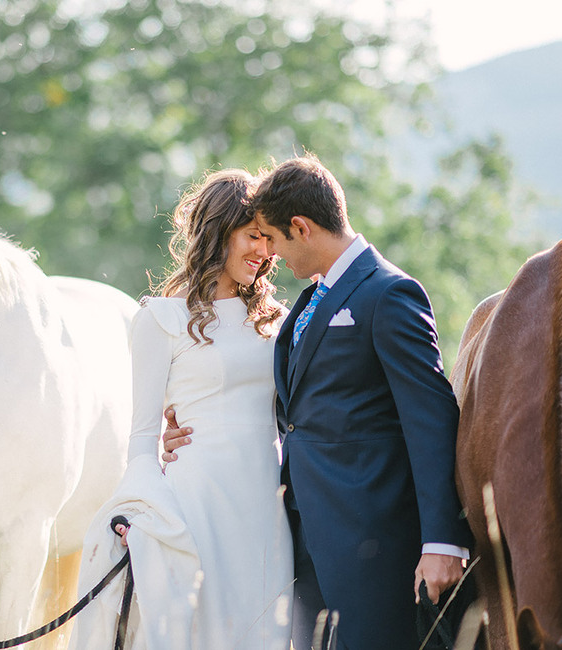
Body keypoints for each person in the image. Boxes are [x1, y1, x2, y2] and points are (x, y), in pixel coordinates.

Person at [163, 154, 473, 650]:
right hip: (304, 541)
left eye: (275, 239)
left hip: (373, 544)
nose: (271, 255)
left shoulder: (389, 294)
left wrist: (443, 540)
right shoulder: (308, 303)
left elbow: (431, 417)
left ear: (301, 228)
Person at [69, 169, 294, 649]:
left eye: (268, 239)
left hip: (266, 499)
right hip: (196, 501)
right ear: (218, 232)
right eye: (253, 235)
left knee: (265, 628)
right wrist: (140, 515)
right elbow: (143, 439)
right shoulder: (161, 319)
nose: (264, 251)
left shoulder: (276, 321)